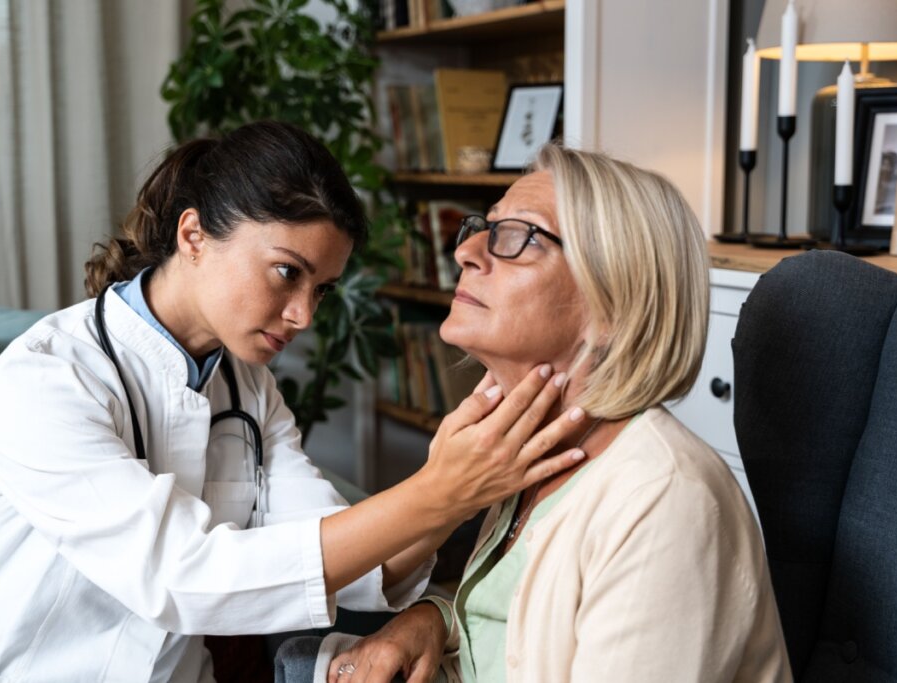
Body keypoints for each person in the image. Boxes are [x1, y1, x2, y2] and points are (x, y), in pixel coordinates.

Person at [0, 122, 590, 682]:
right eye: (288, 273)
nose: (303, 315)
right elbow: (182, 576)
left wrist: (465, 488)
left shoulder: (248, 388)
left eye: (319, 289)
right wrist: (439, 491)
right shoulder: (46, 381)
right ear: (194, 235)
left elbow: (346, 552)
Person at [318, 145, 792, 682]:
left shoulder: (667, 501)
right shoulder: (525, 455)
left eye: (519, 236)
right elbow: (518, 625)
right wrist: (435, 618)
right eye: (483, 227)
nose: (466, 252)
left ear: (614, 301)